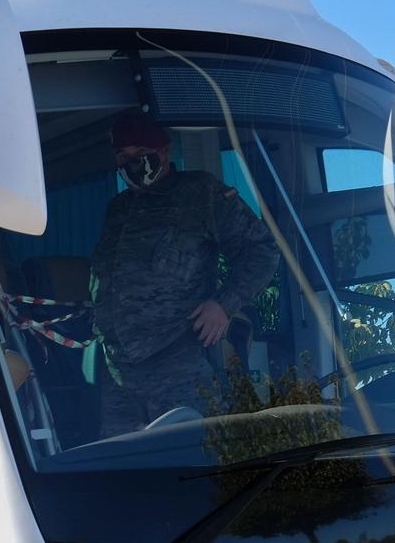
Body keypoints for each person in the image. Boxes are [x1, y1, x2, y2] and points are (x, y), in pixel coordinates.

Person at [88, 112, 278, 438]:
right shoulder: (118, 208)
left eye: (139, 154)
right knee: (119, 470)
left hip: (177, 360)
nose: (131, 163)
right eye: (123, 156)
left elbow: (261, 250)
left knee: (190, 460)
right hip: (118, 371)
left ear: (163, 151)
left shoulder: (199, 193)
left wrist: (224, 304)